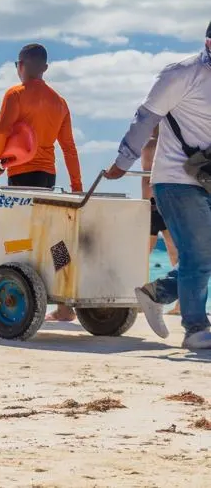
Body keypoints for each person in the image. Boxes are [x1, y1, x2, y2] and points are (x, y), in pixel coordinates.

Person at [106, 21, 211, 350]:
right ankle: (195, 327)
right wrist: (123, 163)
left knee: (204, 254)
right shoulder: (181, 74)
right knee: (198, 253)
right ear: (209, 43)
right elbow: (146, 118)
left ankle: (157, 294)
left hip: (206, 180)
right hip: (175, 179)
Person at [0, 43, 83, 323]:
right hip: (47, 176)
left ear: (20, 66)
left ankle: (9, 288)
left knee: (14, 237)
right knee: (51, 239)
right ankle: (65, 305)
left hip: (21, 174)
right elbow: (69, 148)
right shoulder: (59, 102)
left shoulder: (15, 94)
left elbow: (2, 131)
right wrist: (76, 186)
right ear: (45, 68)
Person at [141, 129, 180, 317]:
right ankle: (180, 303)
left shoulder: (149, 143)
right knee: (174, 252)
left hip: (153, 202)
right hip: (166, 201)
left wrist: (144, 204)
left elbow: (145, 179)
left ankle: (141, 298)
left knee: (144, 255)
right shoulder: (166, 142)